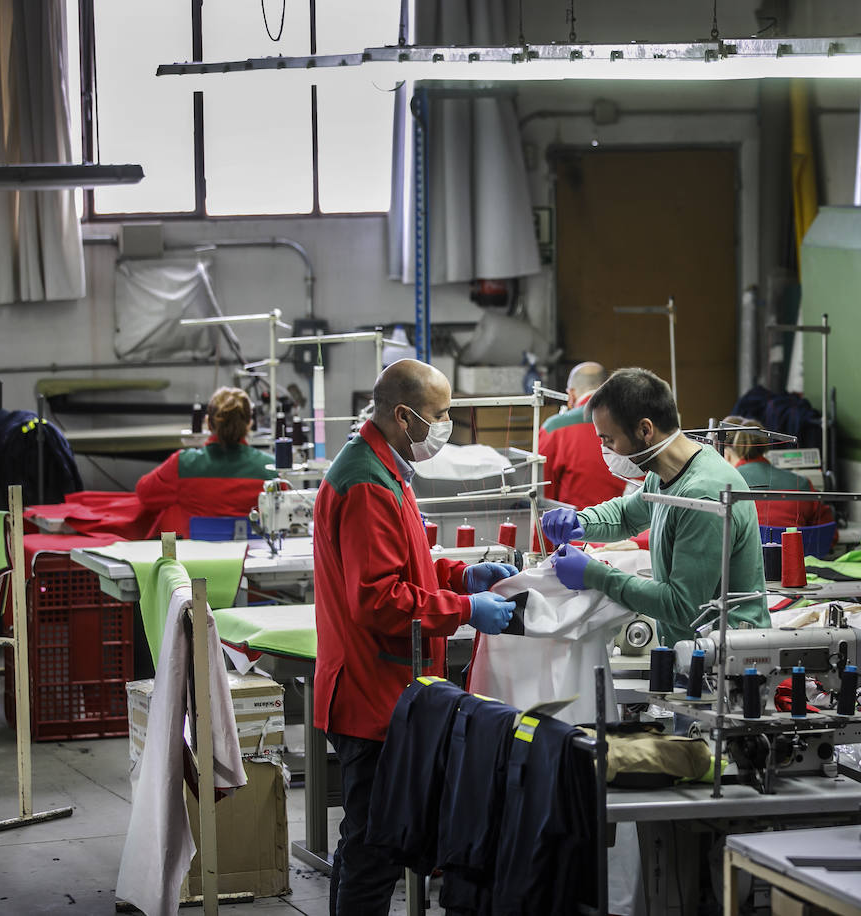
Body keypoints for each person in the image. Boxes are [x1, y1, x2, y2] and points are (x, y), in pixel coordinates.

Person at [313, 358, 519, 914]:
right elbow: (379, 599)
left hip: (385, 688)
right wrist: (464, 609)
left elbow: (406, 566)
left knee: (376, 842)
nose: (447, 425)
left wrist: (458, 575)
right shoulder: (366, 484)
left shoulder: (383, 468)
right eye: (441, 415)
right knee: (373, 849)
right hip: (370, 693)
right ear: (404, 416)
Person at [540, 368, 768, 647]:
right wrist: (579, 521)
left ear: (645, 430)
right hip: (691, 652)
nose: (605, 449)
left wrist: (595, 575)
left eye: (609, 439)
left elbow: (683, 606)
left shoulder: (704, 494)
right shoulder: (665, 473)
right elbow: (626, 515)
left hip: (727, 660)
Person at [135, 386, 277, 537]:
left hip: (199, 558)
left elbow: (145, 494)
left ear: (208, 423)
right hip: (255, 557)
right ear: (249, 423)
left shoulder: (183, 463)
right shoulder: (271, 468)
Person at [718, 416, 834, 529]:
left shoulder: (723, 485)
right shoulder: (802, 483)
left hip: (749, 548)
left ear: (726, 455)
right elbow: (828, 532)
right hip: (793, 548)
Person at [539, 361, 625, 508]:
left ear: (571, 395)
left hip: (575, 525)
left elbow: (543, 492)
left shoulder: (554, 428)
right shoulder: (634, 423)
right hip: (630, 526)